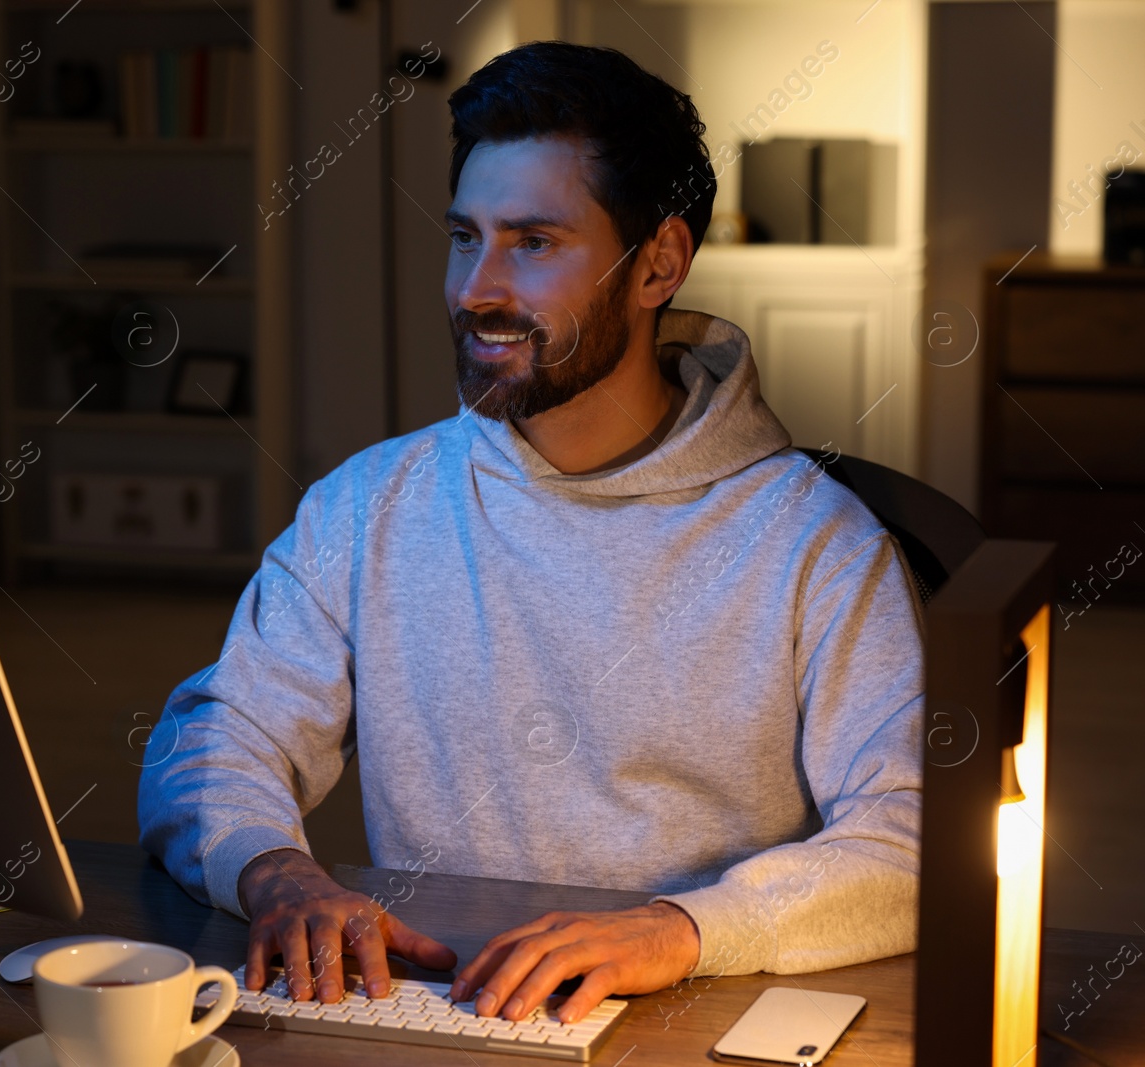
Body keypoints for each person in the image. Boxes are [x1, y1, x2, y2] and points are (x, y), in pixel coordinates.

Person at [137, 40, 922, 1027]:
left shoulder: (814, 542)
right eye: (465, 236)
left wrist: (679, 928)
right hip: (422, 1010)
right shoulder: (368, 503)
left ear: (660, 264)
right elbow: (217, 730)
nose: (477, 288)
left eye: (534, 243)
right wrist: (273, 869)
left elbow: (910, 838)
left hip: (690, 1017)